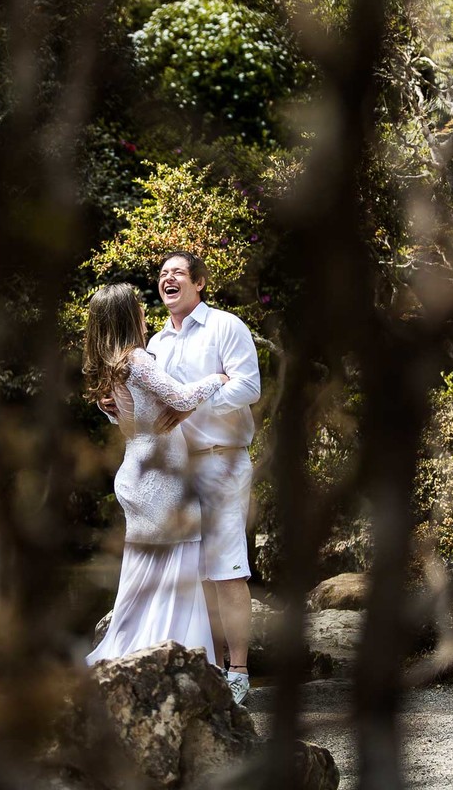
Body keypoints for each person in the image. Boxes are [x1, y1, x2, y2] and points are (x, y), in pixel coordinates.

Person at [101, 251, 260, 704]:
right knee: (184, 570)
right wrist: (113, 409)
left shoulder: (226, 326)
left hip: (222, 460)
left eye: (177, 273)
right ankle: (194, 665)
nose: (167, 279)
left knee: (227, 568)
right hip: (171, 475)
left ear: (200, 283)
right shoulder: (155, 348)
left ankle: (239, 672)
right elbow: (150, 411)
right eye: (162, 274)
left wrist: (190, 402)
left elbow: (248, 386)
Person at [82, 283, 229, 667]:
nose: (145, 313)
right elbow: (180, 399)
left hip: (137, 471)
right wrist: (219, 379)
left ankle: (134, 655)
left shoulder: (111, 367)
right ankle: (171, 660)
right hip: (159, 479)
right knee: (174, 573)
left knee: (145, 575)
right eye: (138, 308)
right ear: (127, 316)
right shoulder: (137, 360)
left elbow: (123, 416)